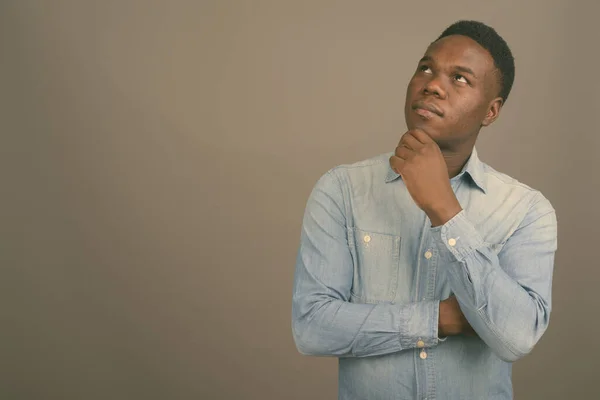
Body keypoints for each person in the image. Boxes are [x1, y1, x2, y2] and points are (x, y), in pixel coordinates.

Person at [291, 20, 558, 400]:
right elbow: (312, 327)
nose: (432, 84)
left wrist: (445, 210)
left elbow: (516, 337)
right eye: (426, 67)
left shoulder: (527, 210)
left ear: (491, 111)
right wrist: (439, 318)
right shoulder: (342, 190)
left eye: (460, 78)